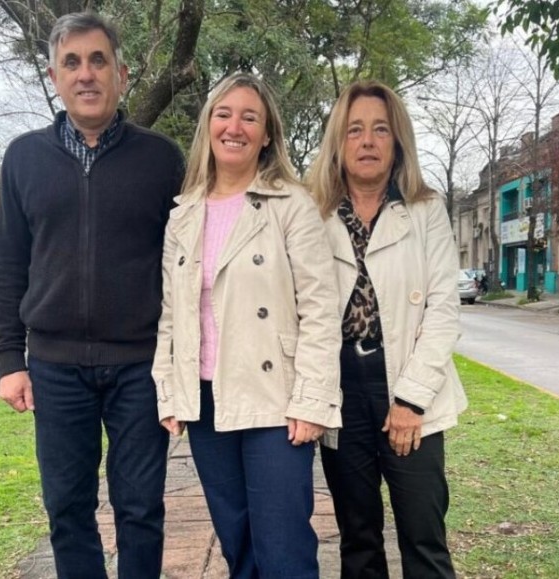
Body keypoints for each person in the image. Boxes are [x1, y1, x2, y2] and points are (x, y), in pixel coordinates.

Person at [0, 12, 184, 579]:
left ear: (121, 73)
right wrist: (9, 360)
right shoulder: (24, 158)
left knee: (141, 507)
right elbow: (8, 263)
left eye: (98, 60)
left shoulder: (161, 159)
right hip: (54, 367)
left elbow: (182, 266)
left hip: (138, 367)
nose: (86, 74)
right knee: (67, 508)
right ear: (54, 76)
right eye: (71, 62)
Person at [152, 73, 342, 579]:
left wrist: (312, 399)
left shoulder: (291, 205)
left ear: (266, 135)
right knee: (238, 542)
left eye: (249, 117)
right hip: (208, 399)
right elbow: (172, 314)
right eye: (223, 114)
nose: (234, 126)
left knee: (283, 548)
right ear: (208, 125)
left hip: (275, 398)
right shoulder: (183, 214)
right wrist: (169, 391)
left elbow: (321, 309)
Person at [307, 80, 468, 578]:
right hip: (342, 392)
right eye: (355, 130)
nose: (368, 140)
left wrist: (411, 400)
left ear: (397, 140)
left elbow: (444, 309)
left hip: (408, 385)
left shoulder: (425, 209)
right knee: (358, 540)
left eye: (380, 129)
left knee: (423, 537)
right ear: (340, 141)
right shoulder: (313, 214)